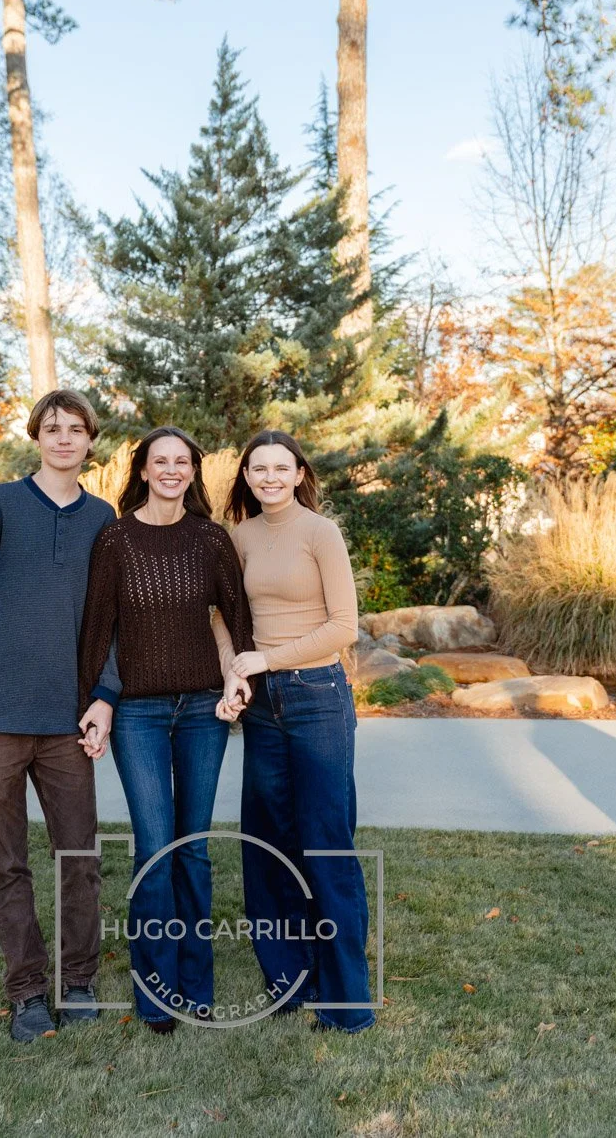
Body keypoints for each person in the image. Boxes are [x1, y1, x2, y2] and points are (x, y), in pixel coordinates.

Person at [0, 388, 120, 1042]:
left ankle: (78, 980)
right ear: (36, 437)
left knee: (79, 854)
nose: (64, 438)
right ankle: (27, 992)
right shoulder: (0, 506)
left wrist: (105, 697)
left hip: (69, 723)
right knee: (7, 860)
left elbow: (114, 624)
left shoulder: (104, 520)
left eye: (75, 429)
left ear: (90, 441)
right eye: (52, 428)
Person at [77, 426, 253, 1032]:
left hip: (203, 711)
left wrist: (238, 680)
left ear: (192, 473)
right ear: (144, 471)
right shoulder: (116, 538)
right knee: (155, 849)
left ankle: (195, 984)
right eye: (161, 461)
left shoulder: (211, 539)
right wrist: (96, 703)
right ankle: (156, 990)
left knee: (194, 849)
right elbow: (98, 629)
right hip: (139, 715)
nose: (172, 470)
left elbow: (239, 617)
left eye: (183, 462)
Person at [216, 429, 374, 1033]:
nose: (270, 478)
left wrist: (268, 660)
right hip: (260, 704)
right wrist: (236, 670)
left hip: (316, 698)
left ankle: (346, 1000)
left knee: (326, 841)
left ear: (298, 472)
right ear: (248, 477)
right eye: (259, 469)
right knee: (267, 843)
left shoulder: (320, 532)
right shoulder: (242, 536)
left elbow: (344, 627)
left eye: (281, 468)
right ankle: (287, 980)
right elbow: (225, 617)